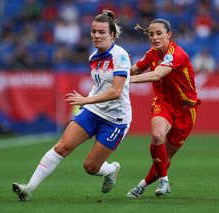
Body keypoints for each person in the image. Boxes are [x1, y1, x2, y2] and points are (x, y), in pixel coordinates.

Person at [12, 9, 132, 201]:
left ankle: (111, 169)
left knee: (90, 167)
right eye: (93, 31)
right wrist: (89, 103)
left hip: (115, 120)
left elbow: (116, 92)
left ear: (112, 34)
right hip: (93, 111)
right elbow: (102, 86)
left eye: (101, 32)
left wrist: (86, 100)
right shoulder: (94, 56)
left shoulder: (120, 56)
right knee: (62, 147)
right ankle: (29, 188)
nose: (96, 35)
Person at [126, 19, 200, 198]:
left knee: (165, 157)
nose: (154, 37)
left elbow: (158, 74)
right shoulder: (151, 54)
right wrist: (119, 72)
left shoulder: (176, 54)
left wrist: (126, 81)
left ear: (169, 35)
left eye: (159, 33)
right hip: (163, 104)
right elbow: (134, 69)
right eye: (151, 34)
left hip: (186, 109)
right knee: (157, 136)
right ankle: (164, 182)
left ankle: (142, 185)